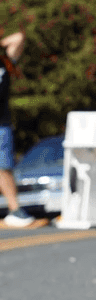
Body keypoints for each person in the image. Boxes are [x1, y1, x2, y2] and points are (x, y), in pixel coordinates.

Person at [0, 30, 34, 228]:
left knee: (3, 167)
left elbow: (20, 37)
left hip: (1, 122)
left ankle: (15, 211)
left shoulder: (5, 61)